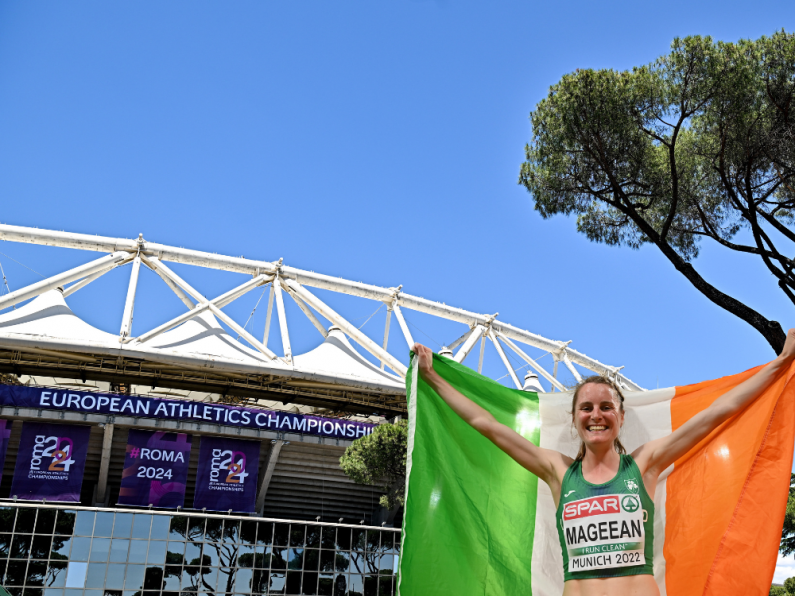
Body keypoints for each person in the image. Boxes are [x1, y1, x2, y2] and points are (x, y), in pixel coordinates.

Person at [412, 329, 795, 596]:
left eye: (607, 407)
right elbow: (488, 425)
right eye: (587, 407)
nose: (597, 414)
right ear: (575, 417)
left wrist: (781, 364)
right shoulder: (557, 470)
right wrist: (432, 377)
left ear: (621, 417)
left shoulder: (645, 464)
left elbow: (717, 413)